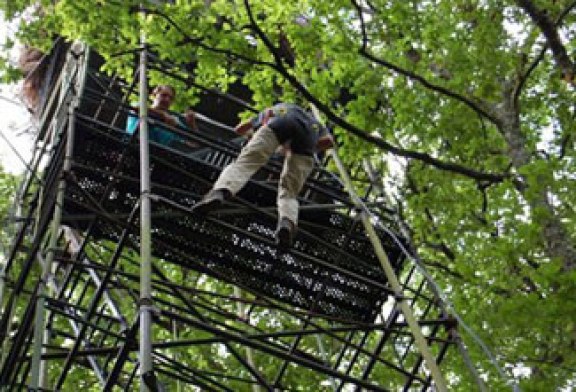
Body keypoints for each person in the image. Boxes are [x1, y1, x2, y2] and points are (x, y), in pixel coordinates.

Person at [192, 102, 334, 249]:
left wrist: (251, 135)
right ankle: (287, 223)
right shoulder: (317, 124)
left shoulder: (283, 107)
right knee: (289, 192)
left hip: (280, 123)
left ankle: (220, 192)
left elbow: (240, 129)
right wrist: (301, 147)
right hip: (308, 139)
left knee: (243, 165)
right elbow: (329, 142)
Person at [125, 85, 197, 147]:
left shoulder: (173, 120)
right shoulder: (139, 104)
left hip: (154, 157)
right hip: (131, 147)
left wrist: (191, 124)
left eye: (171, 98)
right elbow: (137, 109)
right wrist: (162, 115)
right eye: (164, 95)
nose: (167, 100)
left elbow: (194, 143)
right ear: (153, 95)